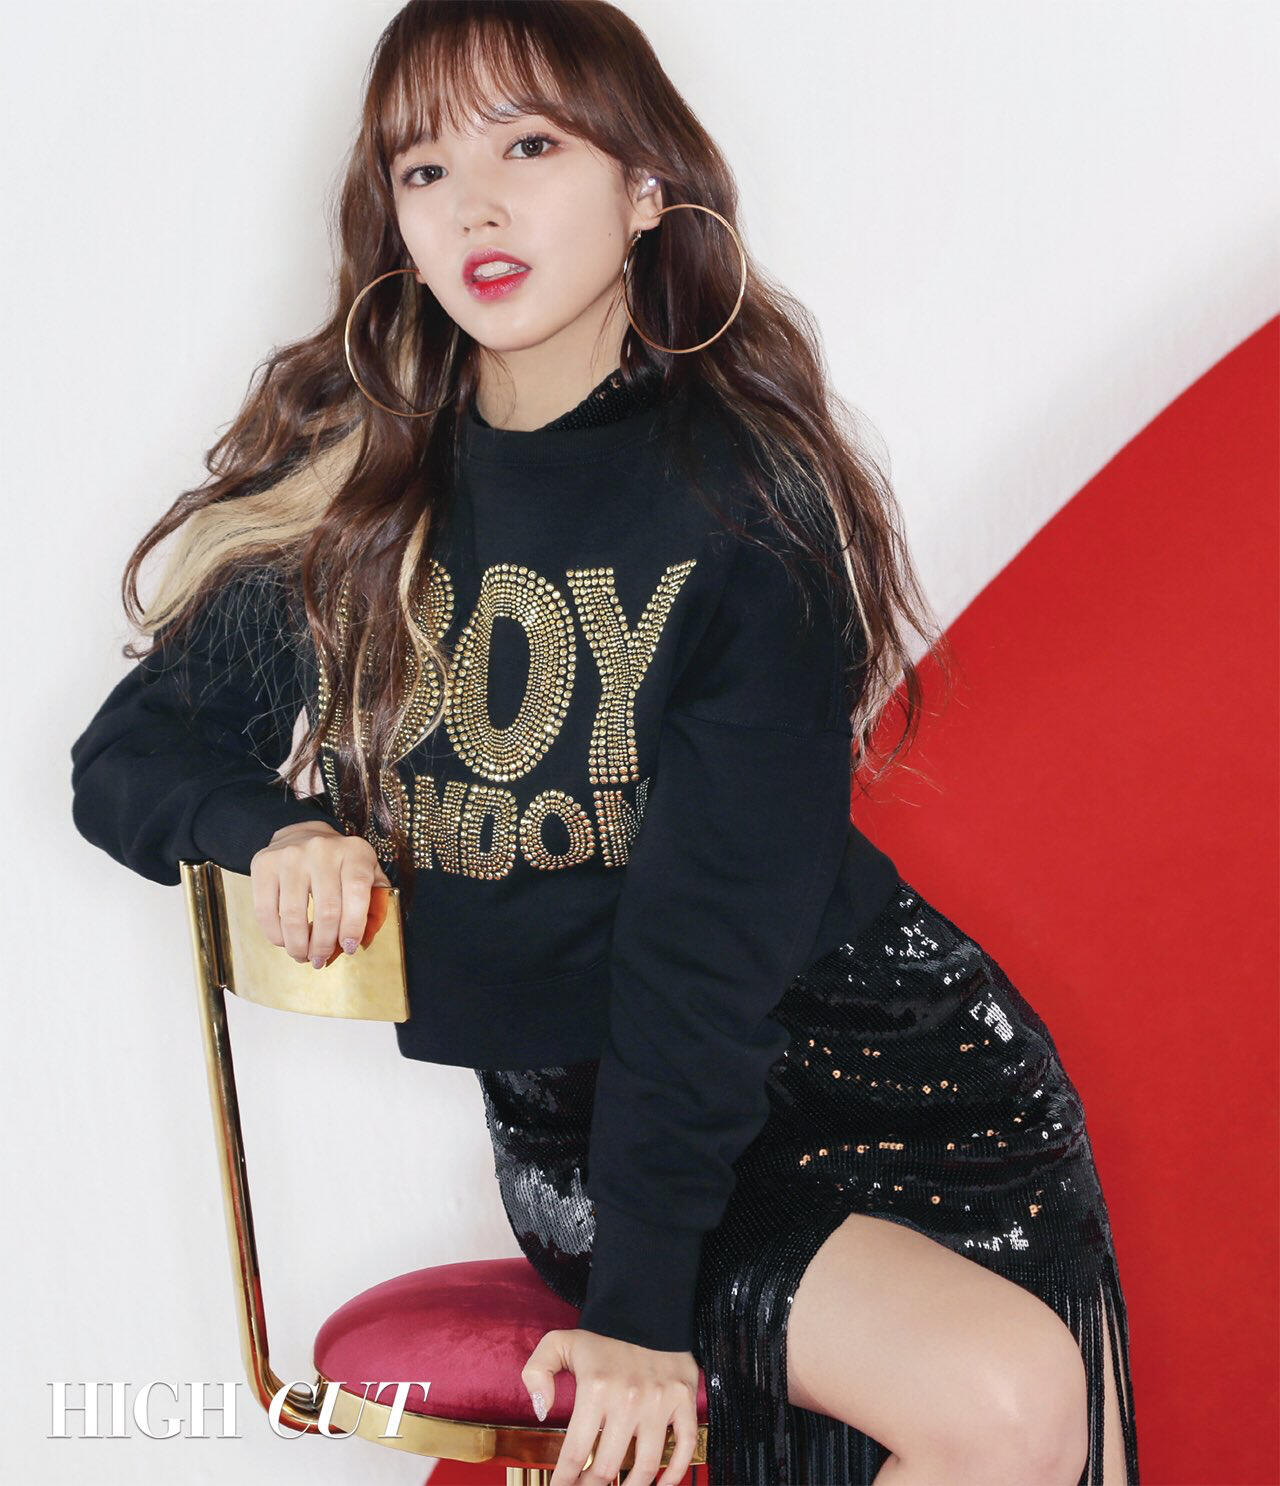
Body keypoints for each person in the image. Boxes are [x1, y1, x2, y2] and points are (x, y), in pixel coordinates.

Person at [67, 3, 1140, 1483]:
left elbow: (704, 947)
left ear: (644, 189)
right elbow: (132, 753)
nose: (475, 206)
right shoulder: (368, 480)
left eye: (529, 147)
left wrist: (641, 1315)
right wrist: (281, 830)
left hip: (900, 1088)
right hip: (603, 1139)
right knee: (1005, 1397)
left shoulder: (740, 499)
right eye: (425, 168)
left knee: (1013, 1399)